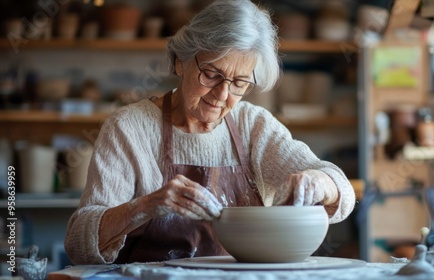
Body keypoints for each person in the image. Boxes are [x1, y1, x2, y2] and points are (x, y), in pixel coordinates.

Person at [64, 0, 355, 265]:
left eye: (239, 83)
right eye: (212, 75)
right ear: (181, 61)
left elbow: (341, 191)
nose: (222, 95)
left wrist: (319, 182)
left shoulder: (254, 126)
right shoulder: (128, 128)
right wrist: (143, 206)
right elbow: (79, 242)